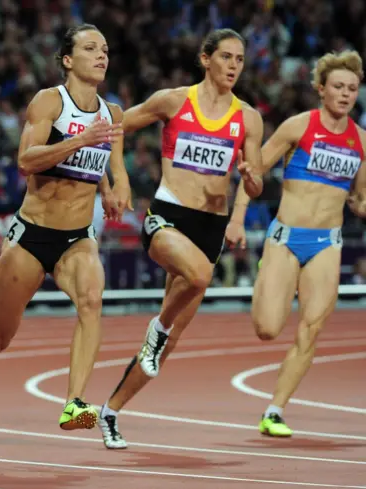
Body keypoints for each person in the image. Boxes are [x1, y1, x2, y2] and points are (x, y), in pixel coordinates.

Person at [0, 24, 131, 431]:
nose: (102, 55)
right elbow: (26, 160)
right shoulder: (50, 101)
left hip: (78, 237)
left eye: (105, 49)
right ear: (68, 60)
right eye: (91, 48)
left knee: (91, 300)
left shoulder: (113, 114)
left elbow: (117, 169)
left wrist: (115, 190)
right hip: (31, 236)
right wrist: (79, 139)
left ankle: (75, 403)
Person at [95, 28, 265, 449]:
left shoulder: (249, 118)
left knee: (164, 351)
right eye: (225, 57)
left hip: (210, 228)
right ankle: (158, 327)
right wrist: (116, 180)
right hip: (167, 218)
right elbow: (115, 124)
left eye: (239, 60)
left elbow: (257, 179)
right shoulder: (174, 100)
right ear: (205, 59)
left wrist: (250, 179)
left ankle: (110, 412)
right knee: (201, 277)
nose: (233, 66)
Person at [227, 50, 366, 437]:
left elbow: (362, 198)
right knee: (268, 329)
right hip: (286, 239)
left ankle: (274, 411)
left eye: (352, 89)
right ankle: (265, 274)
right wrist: (237, 217)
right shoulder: (298, 127)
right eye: (338, 86)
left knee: (310, 331)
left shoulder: (361, 141)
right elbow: (253, 173)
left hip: (327, 244)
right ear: (321, 89)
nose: (345, 94)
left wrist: (361, 204)